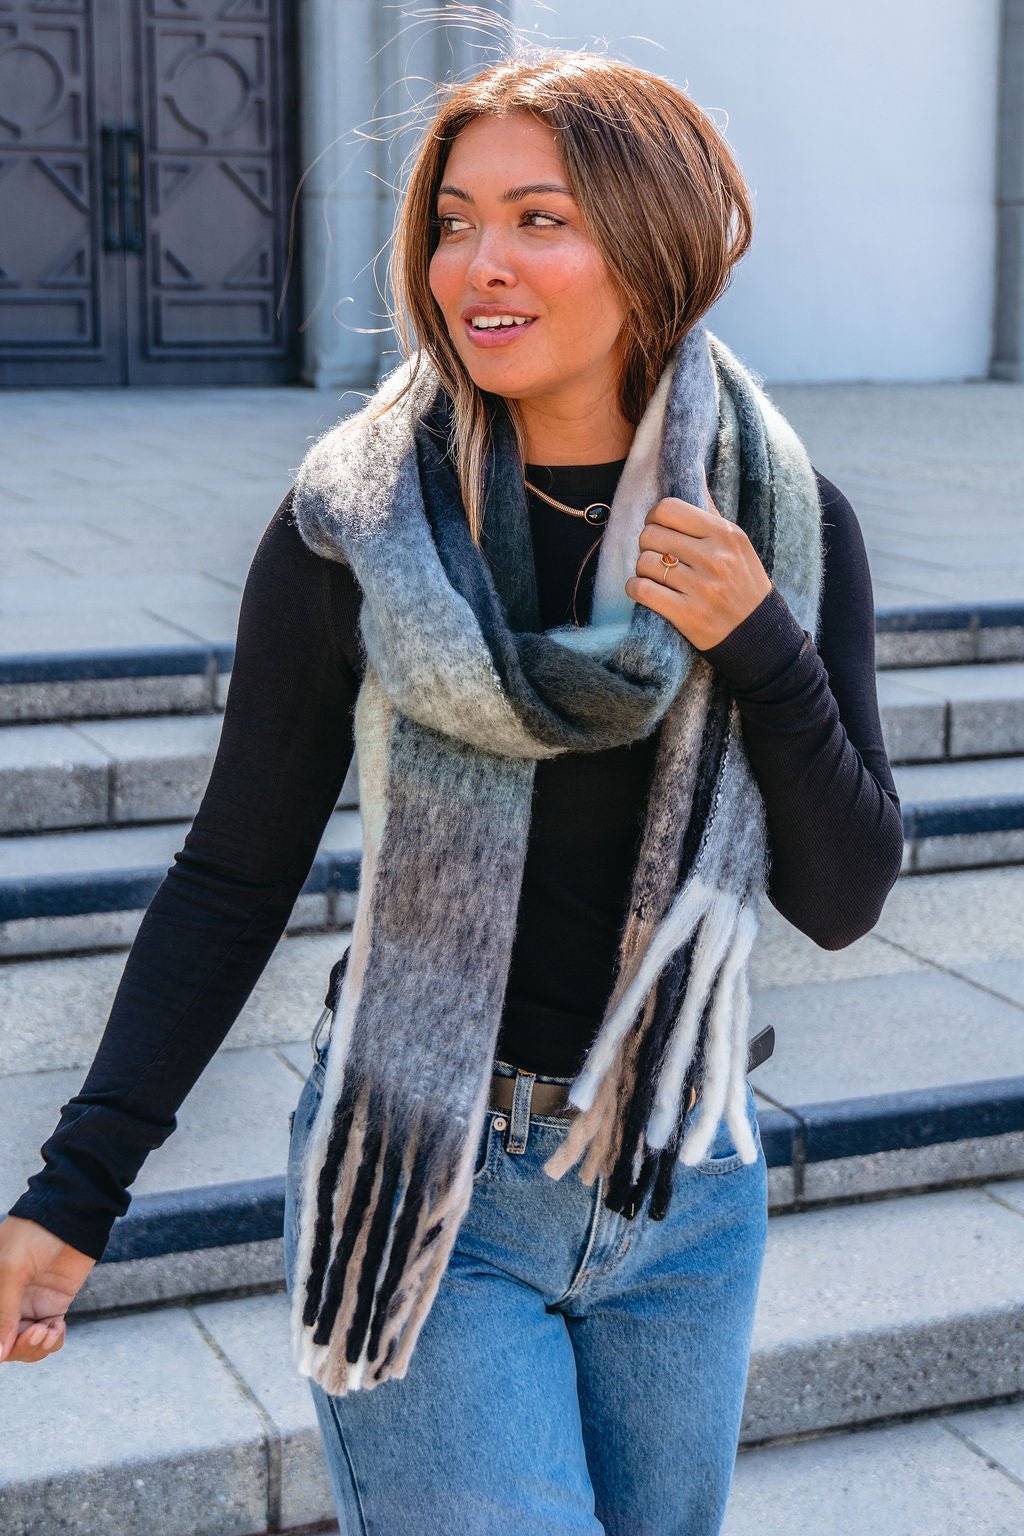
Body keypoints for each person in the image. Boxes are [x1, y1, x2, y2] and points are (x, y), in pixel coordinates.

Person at [0, 48, 903, 1536]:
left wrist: (763, 650)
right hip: (426, 1177)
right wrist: (74, 1187)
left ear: (653, 245)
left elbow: (844, 896)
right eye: (453, 218)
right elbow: (233, 875)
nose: (479, 263)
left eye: (541, 219)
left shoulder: (781, 527)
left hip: (682, 1180)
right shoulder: (355, 529)